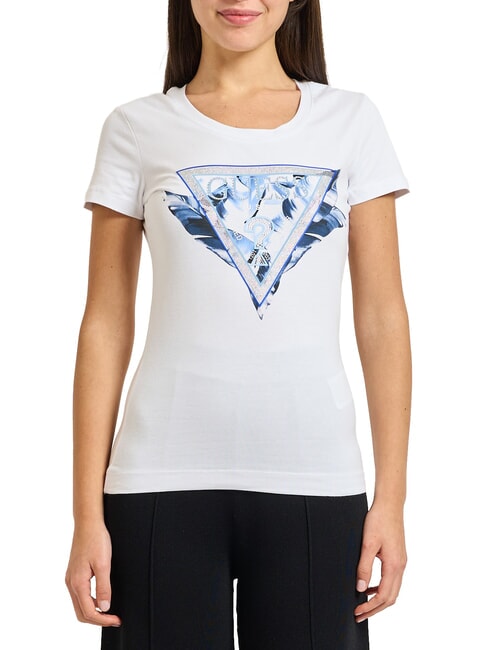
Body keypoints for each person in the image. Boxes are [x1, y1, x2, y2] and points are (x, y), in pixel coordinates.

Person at [65, 1, 412, 648]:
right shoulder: (136, 127)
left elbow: (383, 317)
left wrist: (391, 499)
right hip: (157, 481)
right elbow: (105, 323)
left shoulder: (352, 122)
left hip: (316, 478)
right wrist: (87, 514)